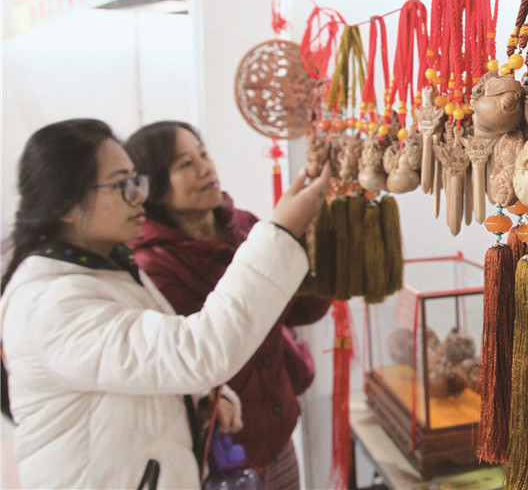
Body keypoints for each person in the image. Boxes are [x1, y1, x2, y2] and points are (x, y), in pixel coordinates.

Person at [0, 118, 331, 489]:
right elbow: (197, 351)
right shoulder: (52, 305)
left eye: (135, 181)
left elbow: (148, 365)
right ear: (65, 203)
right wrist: (282, 232)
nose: (137, 195)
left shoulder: (110, 272)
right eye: (121, 185)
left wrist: (201, 398)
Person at [124, 120, 331, 490]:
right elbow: (204, 354)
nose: (205, 167)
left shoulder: (245, 226)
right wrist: (283, 235)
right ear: (153, 185)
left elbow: (302, 310)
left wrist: (322, 243)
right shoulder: (153, 269)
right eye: (185, 164)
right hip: (223, 455)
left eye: (203, 154)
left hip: (279, 437)